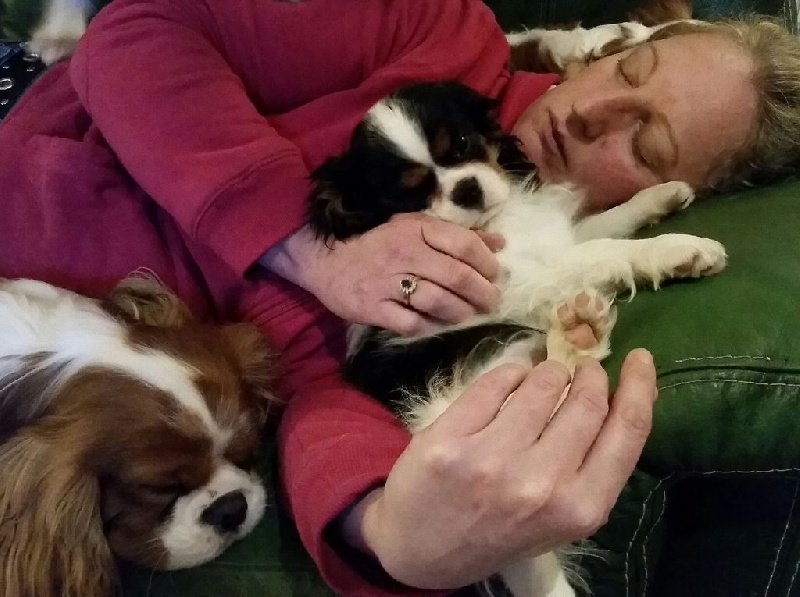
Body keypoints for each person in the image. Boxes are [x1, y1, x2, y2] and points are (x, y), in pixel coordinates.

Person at [0, 0, 798, 595]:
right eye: (628, 72)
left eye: (644, 141)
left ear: (688, 192)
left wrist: (386, 525)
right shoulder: (442, 28)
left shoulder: (525, 261)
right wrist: (306, 247)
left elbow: (336, 394)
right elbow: (135, 35)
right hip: (36, 201)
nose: (594, 112)